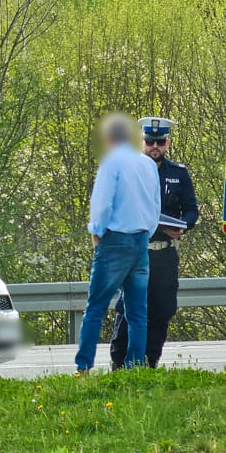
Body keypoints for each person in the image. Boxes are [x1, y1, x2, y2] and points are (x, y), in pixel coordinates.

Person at [74, 113, 160, 373]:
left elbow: (101, 204)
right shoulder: (146, 164)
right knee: (137, 312)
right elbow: (155, 206)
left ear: (109, 137)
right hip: (141, 240)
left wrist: (96, 233)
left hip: (114, 241)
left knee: (96, 308)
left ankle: (83, 366)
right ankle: (135, 367)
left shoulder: (111, 162)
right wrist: (145, 231)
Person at [110, 117, 198, 369]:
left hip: (165, 253)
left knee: (162, 308)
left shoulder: (178, 174)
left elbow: (191, 210)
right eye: (149, 141)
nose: (154, 146)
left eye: (159, 141)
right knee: (128, 309)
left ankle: (149, 362)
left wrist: (182, 227)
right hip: (136, 251)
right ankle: (119, 363)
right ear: (142, 142)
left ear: (167, 143)